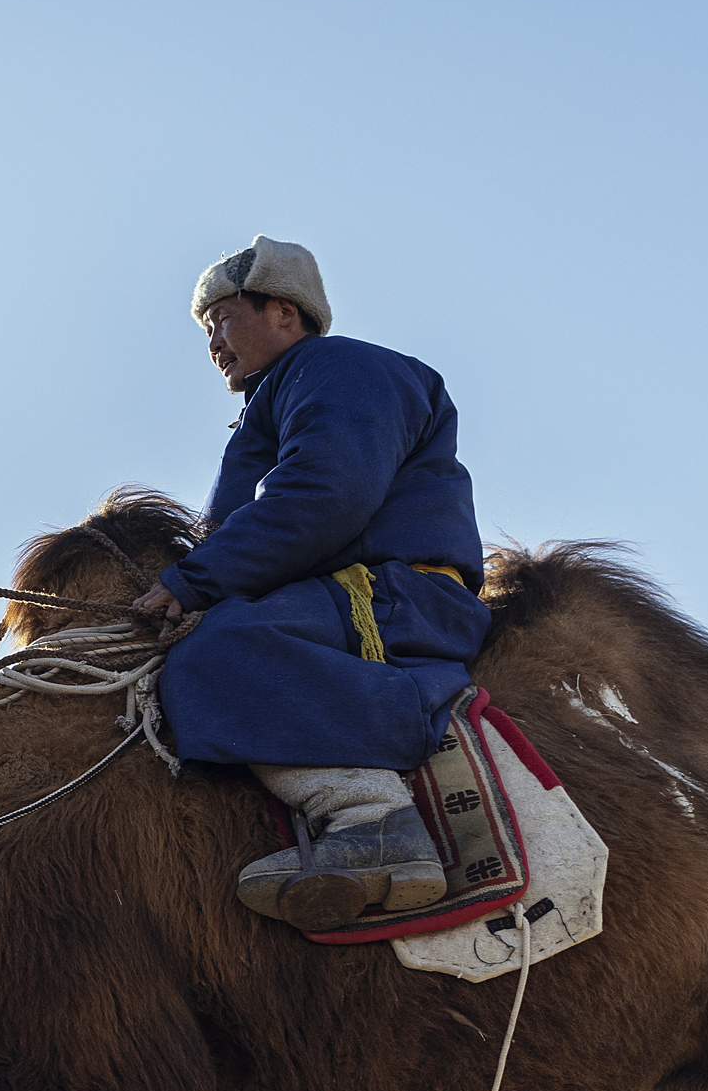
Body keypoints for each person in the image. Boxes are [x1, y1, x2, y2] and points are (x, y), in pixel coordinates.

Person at [136, 238, 489, 930]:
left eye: (225, 317)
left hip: (395, 597)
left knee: (218, 654)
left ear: (286, 313)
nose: (213, 341)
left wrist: (193, 581)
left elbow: (326, 496)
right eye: (206, 328)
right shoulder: (278, 400)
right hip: (343, 592)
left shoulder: (339, 367)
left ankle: (371, 818)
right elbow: (245, 522)